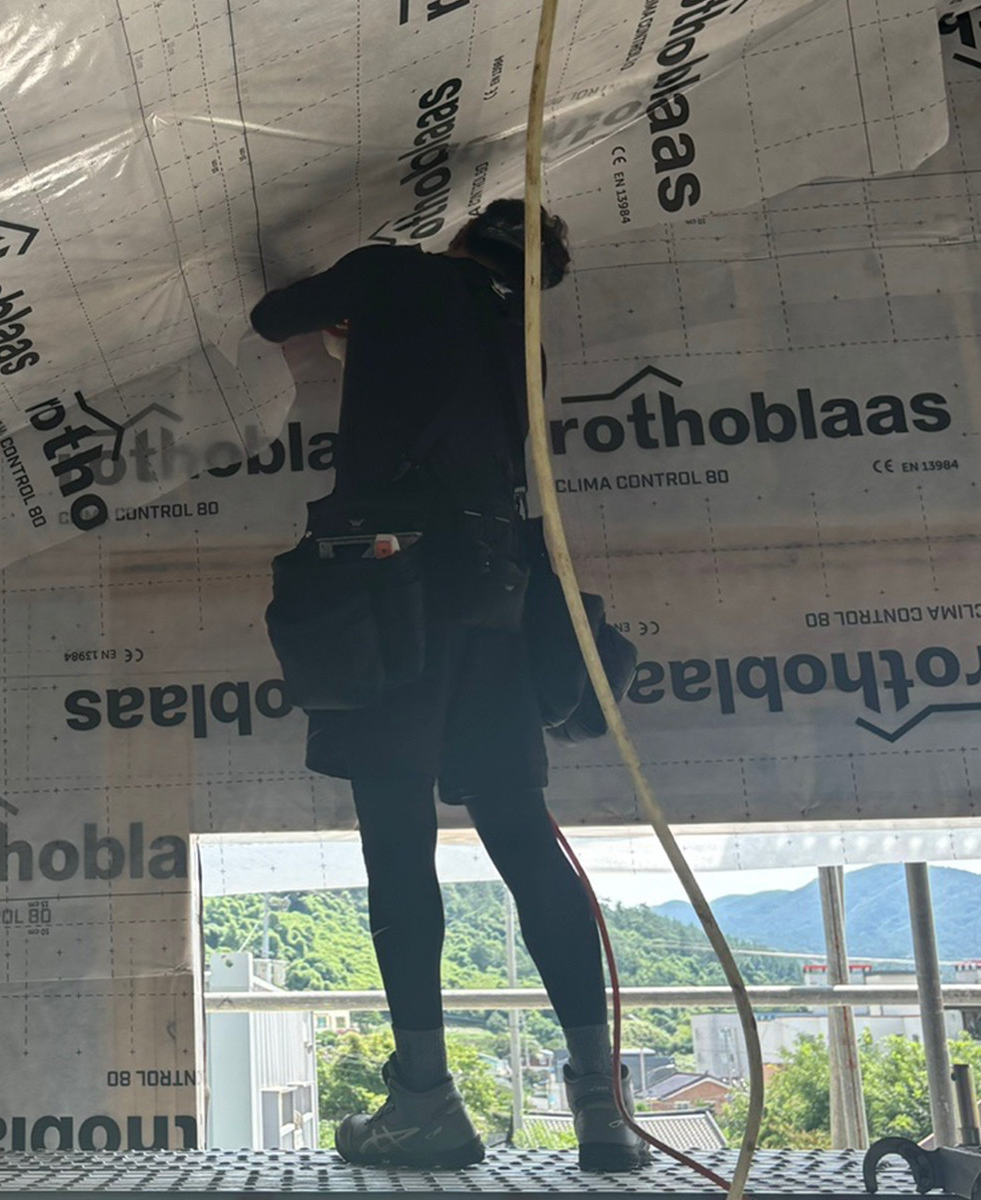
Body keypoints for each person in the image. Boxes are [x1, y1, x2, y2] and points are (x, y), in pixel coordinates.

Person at [249, 200, 649, 1172]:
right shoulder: (522, 346)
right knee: (523, 839)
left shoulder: (398, 275)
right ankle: (602, 1108)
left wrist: (357, 315)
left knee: (400, 848)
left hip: (390, 600)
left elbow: (271, 316)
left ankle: (427, 1101)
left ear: (463, 236)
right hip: (495, 612)